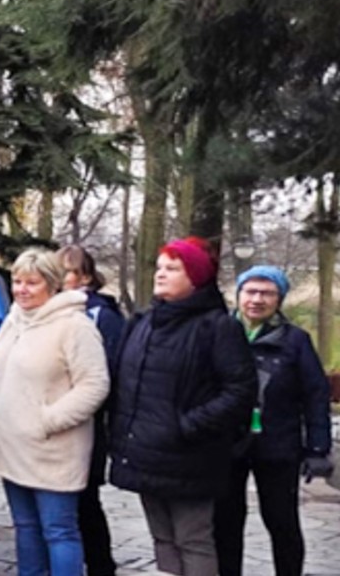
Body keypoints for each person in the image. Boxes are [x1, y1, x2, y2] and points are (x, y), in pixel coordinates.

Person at [110, 238, 257, 576]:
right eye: (160, 267)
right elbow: (125, 384)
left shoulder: (218, 327)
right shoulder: (143, 322)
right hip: (145, 451)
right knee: (162, 538)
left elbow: (240, 391)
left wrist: (187, 426)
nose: (160, 274)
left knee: (193, 539)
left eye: (172, 268)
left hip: (191, 456)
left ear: (196, 277)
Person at [0, 249, 109, 576]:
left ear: (51, 284)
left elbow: (94, 384)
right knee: (26, 527)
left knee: (58, 530)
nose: (21, 289)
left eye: (31, 283)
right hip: (12, 446)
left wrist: (46, 421)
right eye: (17, 281)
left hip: (53, 450)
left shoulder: (74, 325)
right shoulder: (14, 321)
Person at [214, 265, 334, 576]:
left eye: (267, 293)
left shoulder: (295, 340)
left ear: (279, 299)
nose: (257, 299)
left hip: (278, 444)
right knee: (225, 522)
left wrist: (317, 448)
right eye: (250, 291)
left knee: (282, 521)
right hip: (227, 444)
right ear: (237, 295)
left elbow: (315, 394)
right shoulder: (218, 332)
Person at [58, 243, 125, 576]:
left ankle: (101, 565)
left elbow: (108, 372)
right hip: (57, 426)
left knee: (85, 503)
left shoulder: (102, 314)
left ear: (84, 276)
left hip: (88, 424)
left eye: (66, 271)